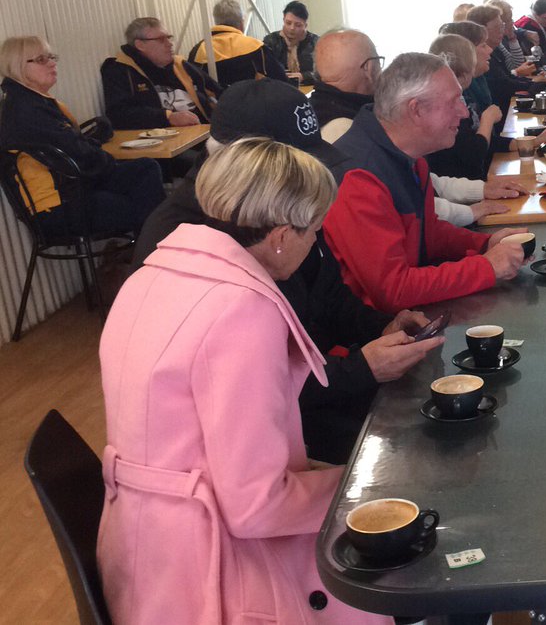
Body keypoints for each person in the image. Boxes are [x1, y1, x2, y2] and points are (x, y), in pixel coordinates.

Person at [96, 137, 393, 624]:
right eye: (314, 231)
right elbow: (257, 507)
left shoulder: (152, 273)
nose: (315, 242)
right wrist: (361, 486)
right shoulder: (242, 310)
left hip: (138, 547)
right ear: (280, 235)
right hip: (210, 570)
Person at [131, 78, 440, 464]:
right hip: (255, 442)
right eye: (295, 162)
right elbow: (254, 396)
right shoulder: (186, 249)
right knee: (421, 444)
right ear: (249, 161)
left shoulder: (277, 209)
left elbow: (325, 293)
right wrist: (362, 370)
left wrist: (381, 325)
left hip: (313, 393)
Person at [325, 52, 530, 311]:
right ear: (417, 109)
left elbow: (427, 234)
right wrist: (486, 267)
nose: (464, 112)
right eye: (454, 101)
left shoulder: (409, 156)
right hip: (373, 334)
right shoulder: (358, 177)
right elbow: (392, 289)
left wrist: (483, 244)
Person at [312, 30, 529, 226]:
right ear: (369, 68)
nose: (462, 112)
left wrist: (481, 189)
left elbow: (420, 182)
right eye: (378, 61)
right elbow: (408, 209)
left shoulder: (356, 114)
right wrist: (471, 212)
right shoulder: (345, 133)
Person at [0, 36, 163, 236]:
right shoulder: (27, 110)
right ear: (17, 66)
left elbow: (71, 147)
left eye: (51, 57)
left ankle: (149, 252)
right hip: (56, 209)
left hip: (69, 191)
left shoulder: (29, 101)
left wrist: (95, 145)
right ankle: (153, 252)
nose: (52, 63)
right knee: (146, 199)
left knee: (145, 170)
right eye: (41, 60)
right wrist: (105, 157)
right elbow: (78, 155)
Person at [426, 31, 546, 187]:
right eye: (483, 46)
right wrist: (487, 120)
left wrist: (534, 142)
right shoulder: (449, 106)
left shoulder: (465, 96)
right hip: (465, 187)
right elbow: (473, 153)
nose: (490, 50)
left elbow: (490, 143)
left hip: (475, 184)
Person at [101, 16, 221, 129]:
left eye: (169, 38)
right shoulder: (120, 70)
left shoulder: (181, 65)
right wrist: (167, 117)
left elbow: (218, 92)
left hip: (205, 133)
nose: (169, 44)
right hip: (161, 143)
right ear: (140, 45)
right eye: (161, 40)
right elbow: (118, 115)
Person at [466, 4, 546, 128]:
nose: (503, 30)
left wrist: (532, 82)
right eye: (498, 26)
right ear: (483, 30)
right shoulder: (482, 59)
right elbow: (502, 84)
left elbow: (506, 77)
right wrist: (532, 84)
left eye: (503, 25)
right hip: (499, 120)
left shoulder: (496, 50)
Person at [188, 0, 288, 85]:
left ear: (216, 21)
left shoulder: (198, 51)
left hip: (218, 106)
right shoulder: (256, 47)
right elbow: (281, 80)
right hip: (255, 105)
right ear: (241, 23)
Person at [263, 0, 320, 85]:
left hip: (309, 88)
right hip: (280, 88)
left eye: (298, 25)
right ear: (283, 20)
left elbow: (325, 72)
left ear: (305, 25)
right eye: (288, 23)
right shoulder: (271, 41)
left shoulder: (316, 42)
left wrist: (303, 76)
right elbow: (264, 71)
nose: (292, 28)